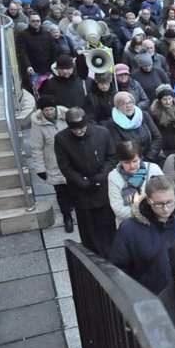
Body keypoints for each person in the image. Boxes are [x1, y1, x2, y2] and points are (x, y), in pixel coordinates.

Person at [111, 176, 175, 294]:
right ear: (148, 200)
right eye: (159, 204)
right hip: (151, 300)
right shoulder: (129, 229)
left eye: (170, 202)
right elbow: (119, 270)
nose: (166, 209)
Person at [54, 107, 118, 258]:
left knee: (107, 227)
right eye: (74, 129)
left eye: (81, 128)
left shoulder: (102, 133)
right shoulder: (61, 138)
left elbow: (111, 157)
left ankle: (112, 256)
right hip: (80, 192)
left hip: (102, 189)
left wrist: (100, 177)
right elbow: (65, 166)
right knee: (88, 229)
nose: (78, 132)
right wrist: (83, 182)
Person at [31, 96, 73, 232]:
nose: (49, 112)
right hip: (53, 162)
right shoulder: (38, 124)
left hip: (71, 159)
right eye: (46, 110)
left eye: (51, 109)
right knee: (61, 192)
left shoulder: (66, 116)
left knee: (74, 189)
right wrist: (40, 168)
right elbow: (37, 148)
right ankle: (67, 217)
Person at [107, 140, 164, 225]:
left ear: (141, 158)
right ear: (120, 161)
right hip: (129, 224)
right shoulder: (114, 176)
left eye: (135, 161)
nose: (132, 166)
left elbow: (165, 194)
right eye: (126, 162)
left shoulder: (153, 169)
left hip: (155, 222)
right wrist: (144, 212)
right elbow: (118, 209)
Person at [107, 91, 162, 163]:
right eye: (123, 103)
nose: (128, 106)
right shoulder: (113, 123)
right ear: (117, 106)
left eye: (130, 102)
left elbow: (157, 137)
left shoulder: (144, 115)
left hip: (150, 159)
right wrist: (134, 161)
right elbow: (118, 145)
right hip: (128, 162)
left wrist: (149, 158)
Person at [149, 85, 175, 160]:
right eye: (165, 99)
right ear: (160, 100)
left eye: (169, 99)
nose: (168, 102)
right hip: (163, 147)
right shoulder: (154, 112)